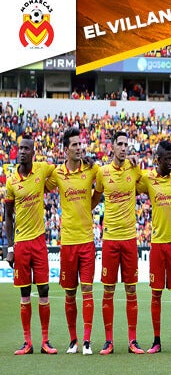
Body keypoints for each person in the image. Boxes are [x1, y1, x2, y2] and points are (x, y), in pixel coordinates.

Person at [45, 127, 98, 355]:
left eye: (80, 144)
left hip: (86, 240)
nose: (79, 148)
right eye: (74, 145)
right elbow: (41, 184)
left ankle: (86, 341)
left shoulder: (91, 169)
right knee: (69, 293)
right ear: (66, 149)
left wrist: (89, 206)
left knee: (87, 289)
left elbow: (103, 186)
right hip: (67, 242)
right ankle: (73, 340)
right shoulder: (57, 173)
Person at [136, 140, 171, 354]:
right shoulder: (149, 178)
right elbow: (134, 186)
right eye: (166, 159)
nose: (170, 163)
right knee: (156, 294)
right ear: (157, 160)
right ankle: (156, 341)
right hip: (158, 243)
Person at [92, 131, 144, 355]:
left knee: (131, 290)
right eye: (120, 144)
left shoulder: (135, 169)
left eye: (126, 144)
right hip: (110, 239)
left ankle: (133, 340)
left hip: (130, 239)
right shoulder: (103, 172)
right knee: (108, 290)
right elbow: (94, 198)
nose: (123, 148)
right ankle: (108, 341)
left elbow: (150, 184)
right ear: (112, 147)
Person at [5, 135, 57, 355]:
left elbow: (60, 172)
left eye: (27, 148)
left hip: (39, 241)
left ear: (33, 153)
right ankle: (28, 342)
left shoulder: (42, 169)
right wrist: (9, 248)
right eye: (20, 148)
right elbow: (8, 216)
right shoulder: (11, 181)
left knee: (43, 289)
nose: (23, 152)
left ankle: (45, 341)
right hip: (21, 244)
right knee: (24, 293)